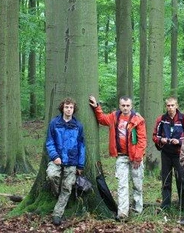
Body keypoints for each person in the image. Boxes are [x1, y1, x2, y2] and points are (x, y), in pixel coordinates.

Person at [89, 95, 147, 220]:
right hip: (121, 157)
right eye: (123, 105)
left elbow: (142, 140)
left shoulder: (138, 119)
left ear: (131, 106)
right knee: (122, 184)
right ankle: (123, 213)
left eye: (127, 106)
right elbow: (102, 119)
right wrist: (97, 107)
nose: (125, 108)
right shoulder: (114, 116)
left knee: (137, 184)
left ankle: (137, 210)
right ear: (120, 106)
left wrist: (138, 157)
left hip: (135, 157)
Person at [46, 98, 85, 226]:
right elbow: (49, 142)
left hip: (72, 160)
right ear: (62, 108)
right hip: (56, 159)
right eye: (66, 107)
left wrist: (80, 164)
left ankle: (57, 214)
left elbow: (81, 146)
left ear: (74, 109)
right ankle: (56, 193)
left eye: (71, 107)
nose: (69, 109)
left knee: (67, 186)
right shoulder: (54, 123)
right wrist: (54, 156)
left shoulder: (78, 125)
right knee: (52, 175)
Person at [152, 97, 184, 211]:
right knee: (166, 180)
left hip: (180, 154)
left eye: (172, 105)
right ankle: (166, 206)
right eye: (168, 105)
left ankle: (183, 207)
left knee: (182, 180)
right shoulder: (161, 119)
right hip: (166, 153)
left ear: (177, 106)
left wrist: (179, 141)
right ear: (166, 106)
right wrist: (161, 140)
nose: (170, 108)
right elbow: (155, 136)